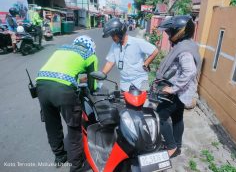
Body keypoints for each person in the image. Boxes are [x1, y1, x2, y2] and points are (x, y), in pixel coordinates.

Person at [36, 35, 98, 172]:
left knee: (52, 124)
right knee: (74, 128)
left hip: (41, 85)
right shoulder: (89, 55)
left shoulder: (61, 48)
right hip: (63, 90)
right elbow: (92, 84)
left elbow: (69, 70)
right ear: (91, 47)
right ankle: (76, 166)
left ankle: (59, 156)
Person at [156, 15, 201, 158]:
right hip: (183, 92)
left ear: (180, 32)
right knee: (177, 118)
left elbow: (190, 71)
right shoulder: (187, 44)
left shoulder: (185, 50)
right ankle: (177, 147)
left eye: (170, 32)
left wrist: (173, 88)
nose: (169, 34)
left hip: (177, 92)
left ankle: (171, 147)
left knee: (160, 117)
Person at [102, 18, 159, 91]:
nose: (112, 38)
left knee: (144, 101)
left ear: (120, 33)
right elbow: (110, 62)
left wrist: (146, 63)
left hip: (141, 80)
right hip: (125, 83)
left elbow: (155, 50)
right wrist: (102, 74)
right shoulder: (114, 45)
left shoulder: (137, 42)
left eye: (113, 36)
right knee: (124, 102)